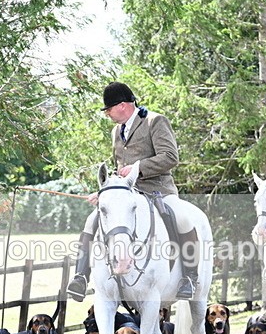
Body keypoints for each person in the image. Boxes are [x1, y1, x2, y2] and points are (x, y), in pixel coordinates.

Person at [66, 81, 198, 301]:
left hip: (158, 190)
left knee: (182, 218)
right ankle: (80, 276)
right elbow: (117, 170)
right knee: (91, 220)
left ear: (123, 105)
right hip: (126, 194)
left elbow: (170, 157)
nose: (107, 113)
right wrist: (105, 192)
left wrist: (138, 168)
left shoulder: (155, 121)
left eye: (108, 108)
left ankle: (189, 277)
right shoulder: (116, 131)